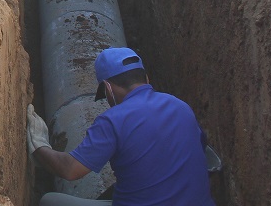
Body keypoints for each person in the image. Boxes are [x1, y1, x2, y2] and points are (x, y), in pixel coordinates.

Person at [26, 47, 215, 206]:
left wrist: (40, 146)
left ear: (108, 88)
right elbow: (202, 150)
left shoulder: (113, 120)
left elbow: (70, 169)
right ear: (146, 78)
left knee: (50, 201)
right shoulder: (180, 106)